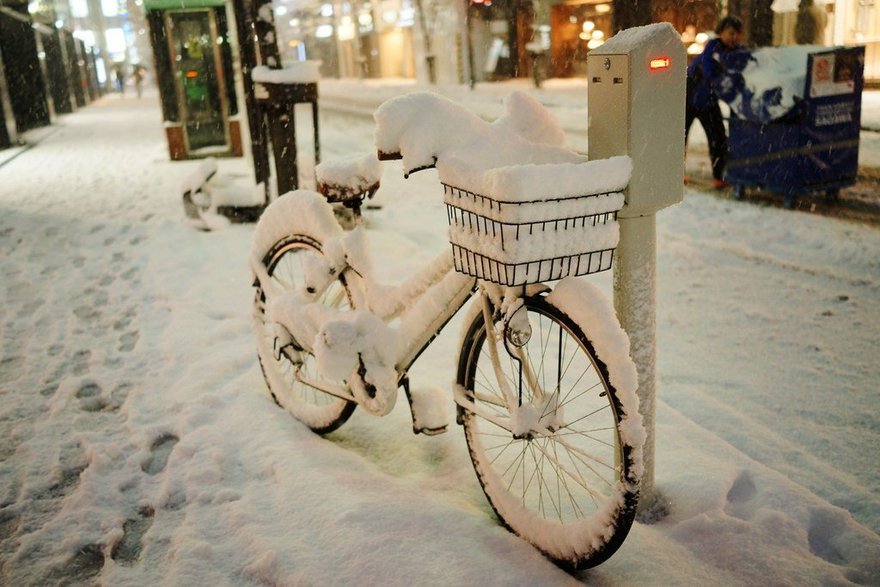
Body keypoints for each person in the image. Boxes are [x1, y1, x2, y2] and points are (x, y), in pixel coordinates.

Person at [685, 15, 744, 189]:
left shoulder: (734, 52)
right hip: (689, 100)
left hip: (708, 102)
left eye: (737, 34)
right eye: (731, 33)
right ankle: (675, 175)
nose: (734, 38)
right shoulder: (713, 49)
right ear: (721, 33)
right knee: (680, 138)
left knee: (718, 139)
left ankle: (718, 177)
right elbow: (713, 74)